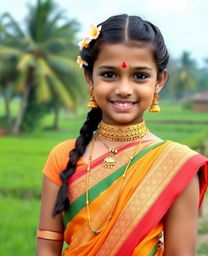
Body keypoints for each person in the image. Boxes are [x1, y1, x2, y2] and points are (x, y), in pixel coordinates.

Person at [37, 14, 208, 256]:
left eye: (140, 76)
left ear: (159, 81)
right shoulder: (62, 157)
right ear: (89, 77)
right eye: (109, 74)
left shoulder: (177, 165)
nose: (124, 89)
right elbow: (46, 248)